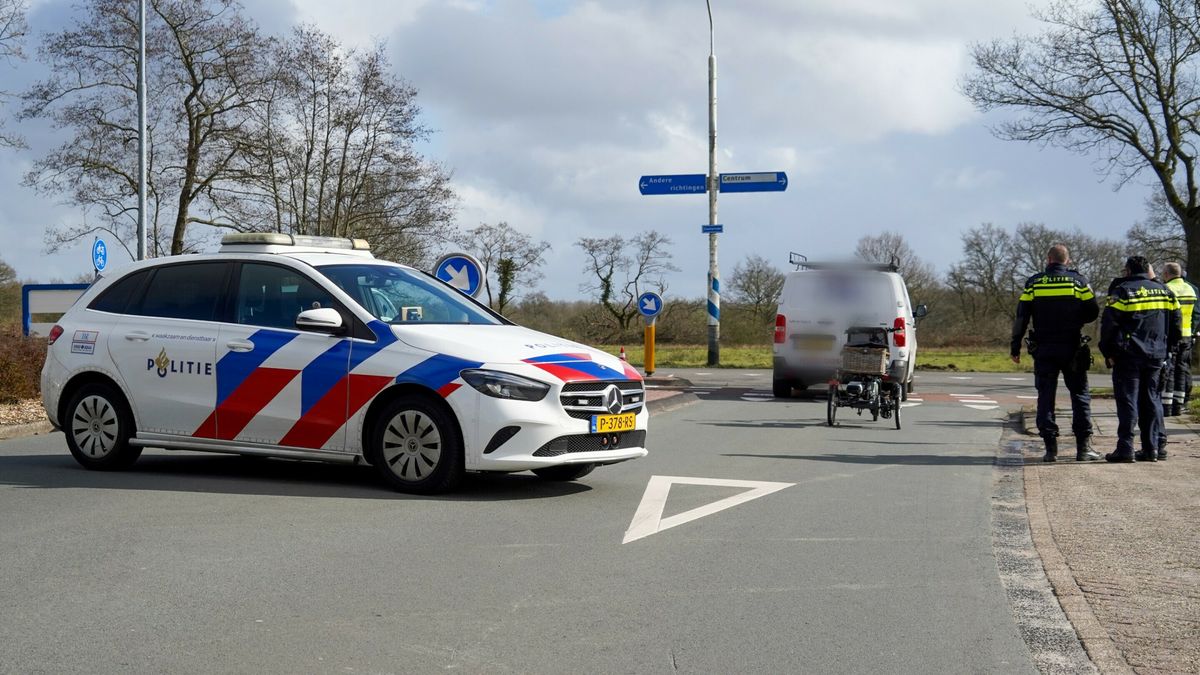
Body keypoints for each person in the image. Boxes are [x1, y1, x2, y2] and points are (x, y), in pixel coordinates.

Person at [1011, 244, 1101, 462]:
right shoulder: (1079, 282)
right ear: (1067, 261)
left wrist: (1015, 346)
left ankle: (1050, 449)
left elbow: (1022, 316)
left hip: (1044, 347)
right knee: (1079, 395)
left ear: (1048, 259)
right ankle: (1083, 448)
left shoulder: (1034, 283)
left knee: (1045, 396)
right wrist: (1075, 318)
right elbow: (1093, 312)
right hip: (1072, 346)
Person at [1099, 256, 1182, 462]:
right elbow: (1177, 326)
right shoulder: (1166, 291)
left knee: (1128, 400)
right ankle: (1151, 448)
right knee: (1152, 400)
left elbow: (1109, 326)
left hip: (1129, 355)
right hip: (1157, 355)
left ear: (1128, 270)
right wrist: (1168, 349)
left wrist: (1108, 352)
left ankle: (1126, 449)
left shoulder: (1123, 291)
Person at [1160, 262, 1198, 417]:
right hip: (1187, 334)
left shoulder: (1168, 289)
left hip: (1172, 335)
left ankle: (1167, 407)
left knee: (1170, 369)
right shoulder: (1190, 289)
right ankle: (1178, 405)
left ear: (1167, 274)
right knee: (1182, 369)